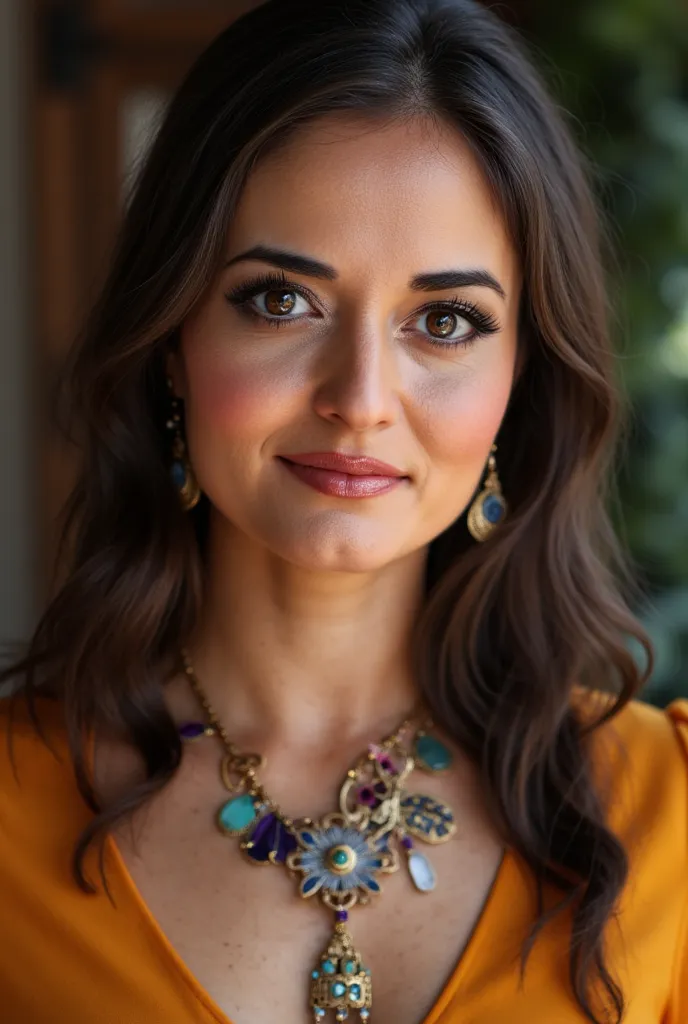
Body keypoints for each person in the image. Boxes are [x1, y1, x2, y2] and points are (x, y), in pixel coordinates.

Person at [1, 0, 686, 1021]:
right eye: (280, 299)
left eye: (445, 321)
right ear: (173, 339)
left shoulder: (667, 808)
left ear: (520, 379)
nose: (360, 395)